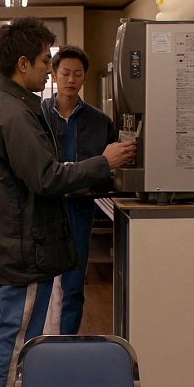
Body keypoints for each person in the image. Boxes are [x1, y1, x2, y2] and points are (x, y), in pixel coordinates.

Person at [0, 17, 136, 387]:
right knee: (16, 339)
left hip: (16, 243)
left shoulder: (7, 104)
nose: (49, 70)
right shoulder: (13, 113)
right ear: (23, 63)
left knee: (11, 331)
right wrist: (105, 161)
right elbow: (46, 177)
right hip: (22, 248)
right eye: (46, 61)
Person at [42, 45, 117, 335]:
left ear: (85, 77)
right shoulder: (37, 116)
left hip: (80, 209)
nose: (71, 79)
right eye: (65, 73)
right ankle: (36, 345)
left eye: (77, 74)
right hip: (44, 208)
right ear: (54, 74)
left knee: (74, 285)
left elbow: (110, 169)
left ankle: (67, 341)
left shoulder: (100, 122)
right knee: (40, 283)